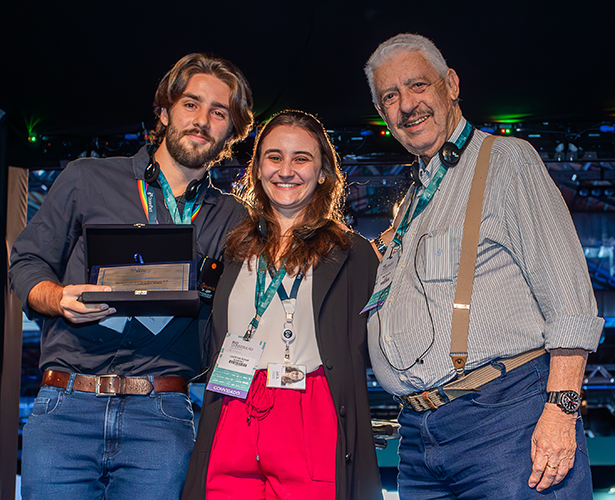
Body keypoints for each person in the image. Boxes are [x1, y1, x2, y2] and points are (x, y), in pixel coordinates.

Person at [363, 34, 603, 498]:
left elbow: (570, 300)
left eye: (417, 86)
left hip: (504, 421)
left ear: (450, 85)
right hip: (417, 437)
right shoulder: (414, 201)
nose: (406, 105)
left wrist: (561, 410)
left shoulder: (505, 160)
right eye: (389, 96)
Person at [9, 53, 253, 500]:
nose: (202, 120)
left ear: (231, 132)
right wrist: (57, 296)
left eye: (219, 113)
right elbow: (26, 262)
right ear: (164, 111)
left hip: (161, 416)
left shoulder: (232, 217)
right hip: (66, 407)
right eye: (190, 104)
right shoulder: (88, 178)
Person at [182, 110, 382, 500]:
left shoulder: (353, 253)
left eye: (301, 158)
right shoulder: (234, 248)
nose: (285, 170)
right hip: (234, 402)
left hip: (309, 412)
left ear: (323, 171)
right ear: (257, 169)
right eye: (274, 157)